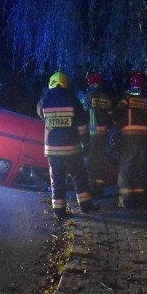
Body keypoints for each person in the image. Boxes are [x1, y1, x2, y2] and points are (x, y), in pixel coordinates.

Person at [36, 71, 95, 218]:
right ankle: (86, 207)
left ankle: (59, 211)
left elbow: (40, 114)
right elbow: (82, 124)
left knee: (56, 179)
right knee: (79, 176)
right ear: (65, 84)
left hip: (52, 150)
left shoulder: (44, 100)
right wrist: (86, 142)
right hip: (71, 149)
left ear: (51, 84)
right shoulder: (72, 99)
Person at [112, 71, 147, 208]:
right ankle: (139, 198)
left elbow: (117, 114)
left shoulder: (127, 97)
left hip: (129, 138)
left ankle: (126, 201)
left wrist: (116, 126)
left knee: (124, 169)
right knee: (139, 168)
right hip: (144, 138)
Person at [82, 71, 114, 197]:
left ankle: (91, 190)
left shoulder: (87, 97)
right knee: (101, 161)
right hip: (103, 136)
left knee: (90, 162)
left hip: (91, 135)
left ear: (92, 83)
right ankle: (99, 188)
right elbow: (111, 117)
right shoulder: (106, 98)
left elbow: (82, 116)